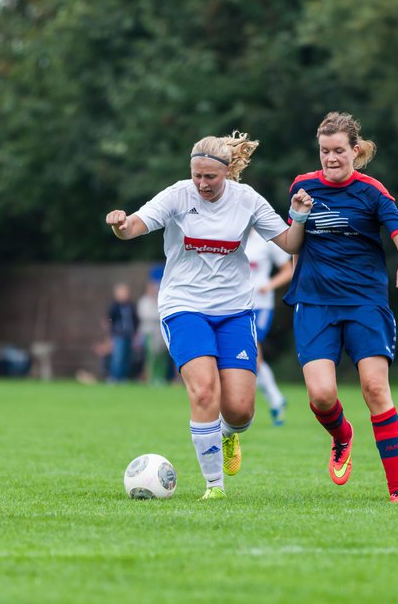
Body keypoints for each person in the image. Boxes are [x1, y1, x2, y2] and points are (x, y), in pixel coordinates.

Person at [106, 131, 305, 500]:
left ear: (227, 173)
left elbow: (291, 244)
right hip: (184, 307)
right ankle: (215, 487)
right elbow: (134, 225)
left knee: (241, 410)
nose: (202, 183)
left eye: (210, 177)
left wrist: (300, 215)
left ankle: (229, 436)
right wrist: (121, 224)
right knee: (203, 392)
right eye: (196, 175)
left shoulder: (247, 201)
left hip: (233, 311)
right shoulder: (178, 195)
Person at [278, 112, 398, 505]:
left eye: (339, 151)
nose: (331, 158)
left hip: (364, 303)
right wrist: (299, 214)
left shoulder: (372, 191)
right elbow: (293, 242)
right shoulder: (302, 187)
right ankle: (342, 436)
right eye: (324, 151)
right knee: (322, 395)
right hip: (315, 304)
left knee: (375, 388)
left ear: (354, 151)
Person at [245, 229, 294, 425]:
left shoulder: (266, 239)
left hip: (261, 305)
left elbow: (288, 270)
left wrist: (269, 286)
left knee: (253, 352)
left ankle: (270, 400)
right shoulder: (231, 232)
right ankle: (276, 399)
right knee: (252, 355)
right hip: (236, 303)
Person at [136, 273, 168, 384]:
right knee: (151, 356)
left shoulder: (159, 300)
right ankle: (151, 378)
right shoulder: (143, 301)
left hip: (160, 332)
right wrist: (157, 317)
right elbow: (145, 315)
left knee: (161, 356)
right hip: (149, 332)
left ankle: (160, 377)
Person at [106, 282, 138, 383]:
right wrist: (112, 332)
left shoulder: (131, 306)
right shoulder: (114, 307)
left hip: (129, 335)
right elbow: (110, 320)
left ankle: (124, 376)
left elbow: (135, 320)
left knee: (126, 356)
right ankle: (115, 376)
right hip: (118, 335)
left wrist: (135, 331)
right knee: (118, 357)